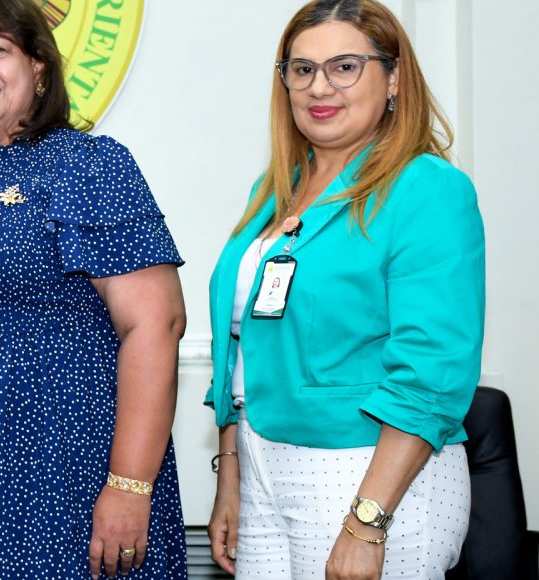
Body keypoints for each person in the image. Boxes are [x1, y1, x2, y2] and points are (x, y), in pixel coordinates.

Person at [0, 0, 189, 577]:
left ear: (38, 67)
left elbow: (156, 324)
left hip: (61, 467)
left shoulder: (89, 166)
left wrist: (130, 485)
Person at [204, 1, 482, 578]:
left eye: (345, 67)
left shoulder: (426, 188)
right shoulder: (275, 190)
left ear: (394, 78)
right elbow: (242, 348)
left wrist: (367, 521)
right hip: (262, 466)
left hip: (370, 474)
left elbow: (431, 370)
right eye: (302, 69)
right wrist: (231, 473)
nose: (319, 86)